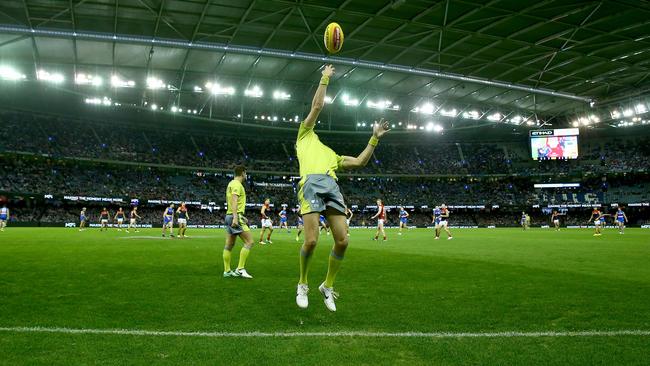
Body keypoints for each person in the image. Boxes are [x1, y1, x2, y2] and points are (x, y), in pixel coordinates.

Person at [294, 64, 390, 312]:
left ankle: (327, 286)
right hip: (311, 183)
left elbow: (359, 161)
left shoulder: (332, 155)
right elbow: (317, 106)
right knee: (312, 241)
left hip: (331, 185)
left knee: (343, 241)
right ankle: (302, 283)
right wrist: (324, 78)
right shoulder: (304, 134)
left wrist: (374, 138)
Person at [223, 165, 255, 279]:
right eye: (245, 173)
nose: (246, 175)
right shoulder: (237, 184)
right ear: (242, 173)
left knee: (229, 245)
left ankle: (227, 271)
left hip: (229, 216)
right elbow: (234, 200)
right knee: (249, 242)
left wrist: (240, 216)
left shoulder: (231, 183)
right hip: (234, 216)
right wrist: (237, 217)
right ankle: (240, 269)